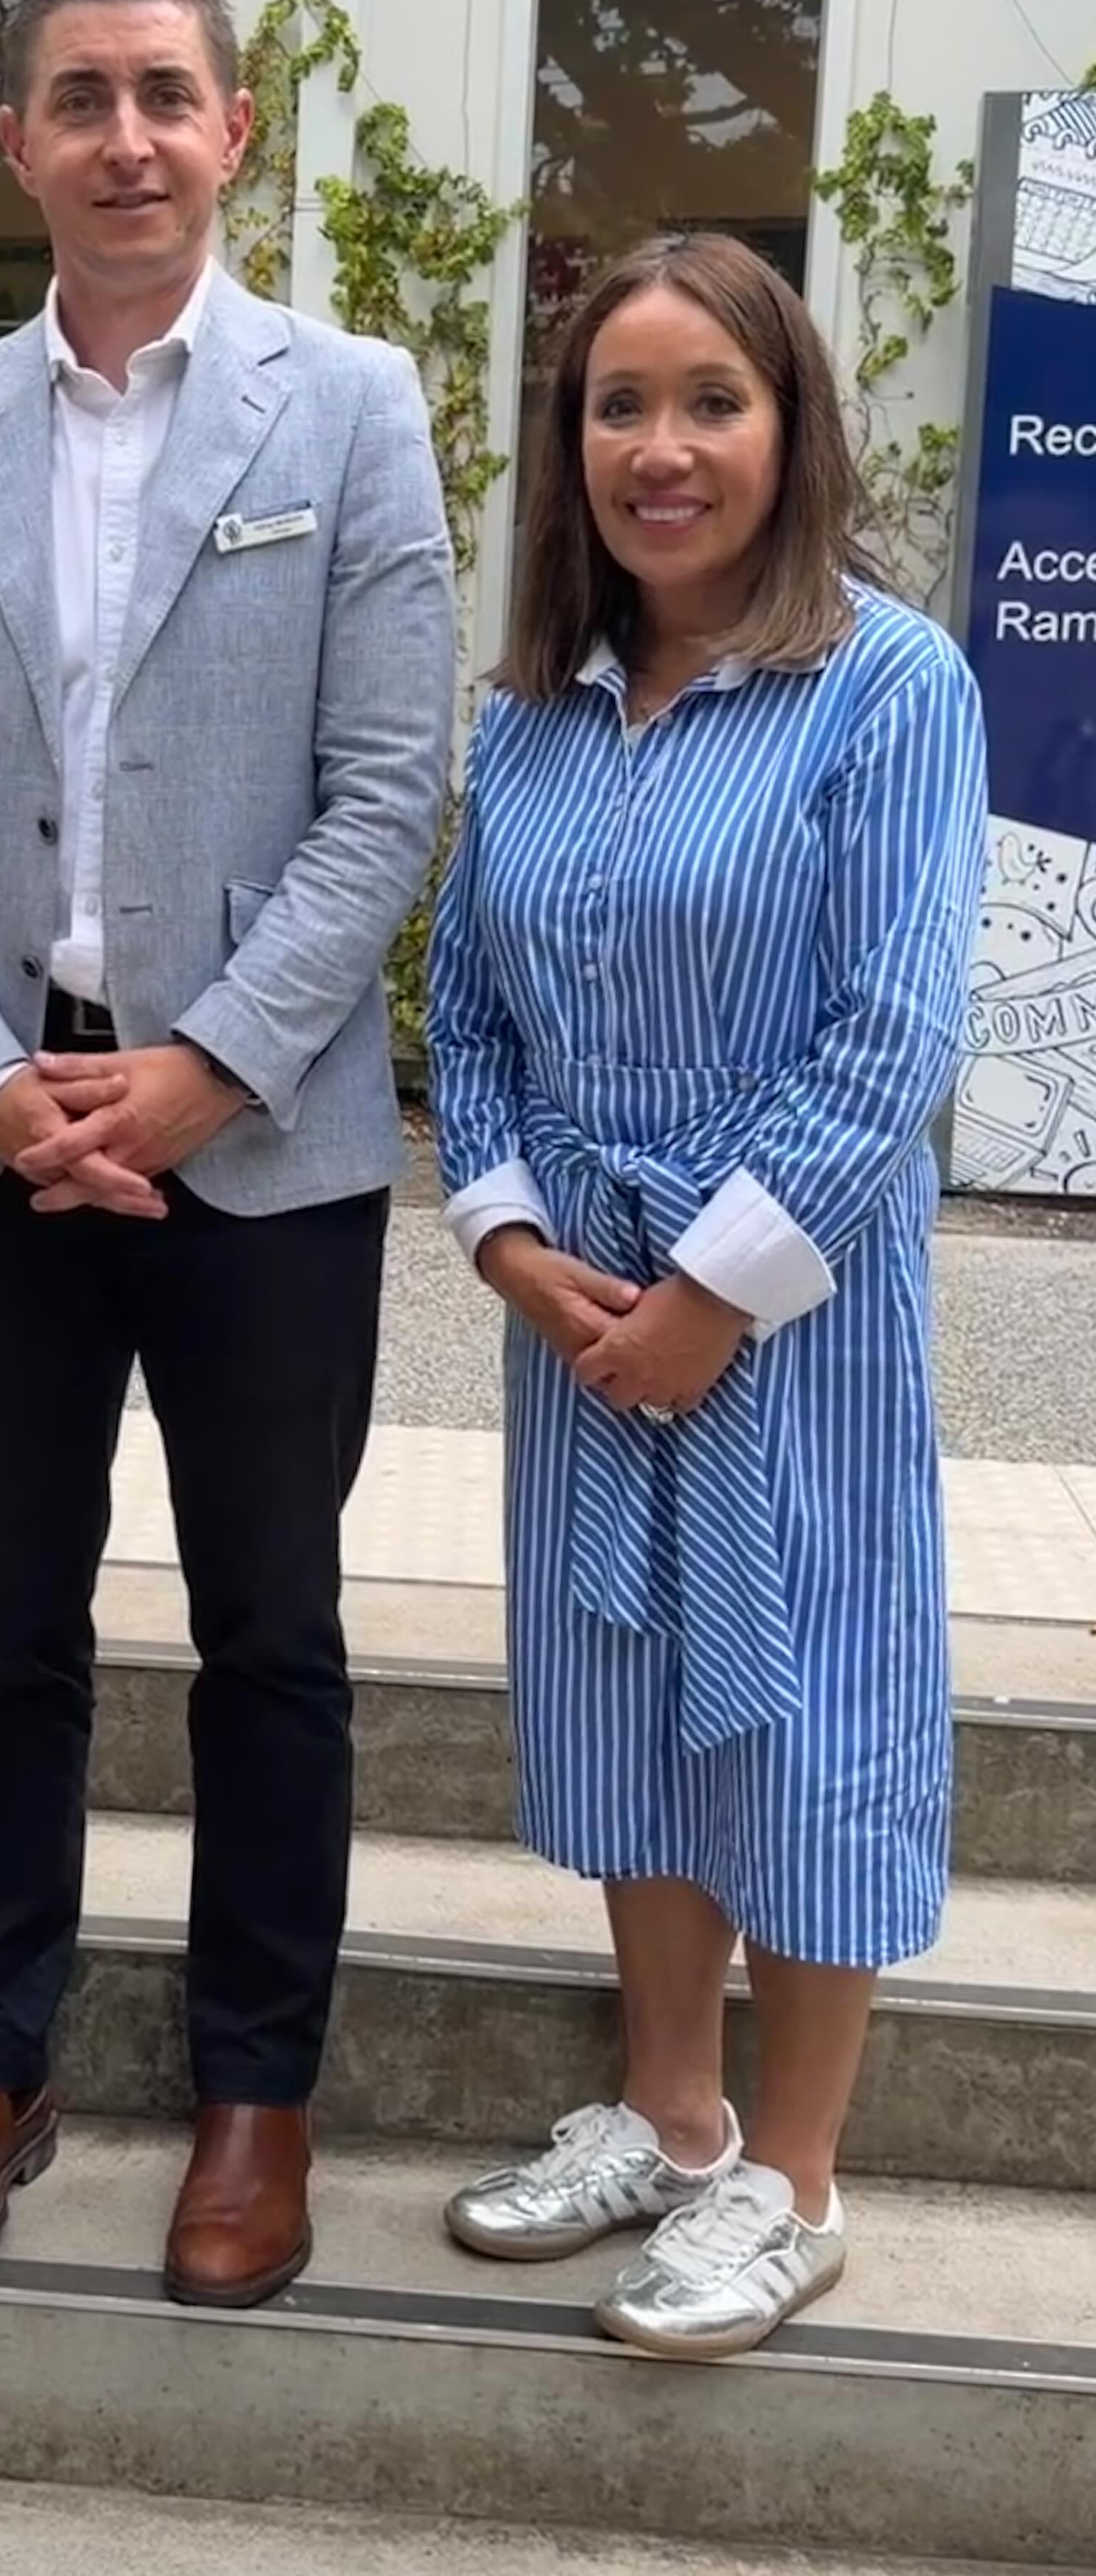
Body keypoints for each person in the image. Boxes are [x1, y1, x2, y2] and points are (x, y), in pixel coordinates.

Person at [0, 0, 454, 2309]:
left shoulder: (350, 408)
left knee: (271, 1636)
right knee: (0, 1632)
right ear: (12, 143)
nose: (122, 138)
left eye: (162, 94)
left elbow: (389, 787)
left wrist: (202, 1072)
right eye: (76, 97)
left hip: (257, 1155)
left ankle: (249, 2094)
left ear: (231, 129)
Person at [428, 233, 985, 2359]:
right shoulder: (536, 716)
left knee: (810, 1711)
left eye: (709, 403)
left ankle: (793, 2177)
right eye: (614, 407)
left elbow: (892, 1029)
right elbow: (466, 1008)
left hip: (791, 1315)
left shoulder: (885, 684)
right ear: (568, 452)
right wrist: (503, 1237)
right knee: (614, 1696)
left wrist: (712, 1296)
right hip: (572, 1297)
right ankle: (664, 2115)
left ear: (791, 427)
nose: (658, 449)